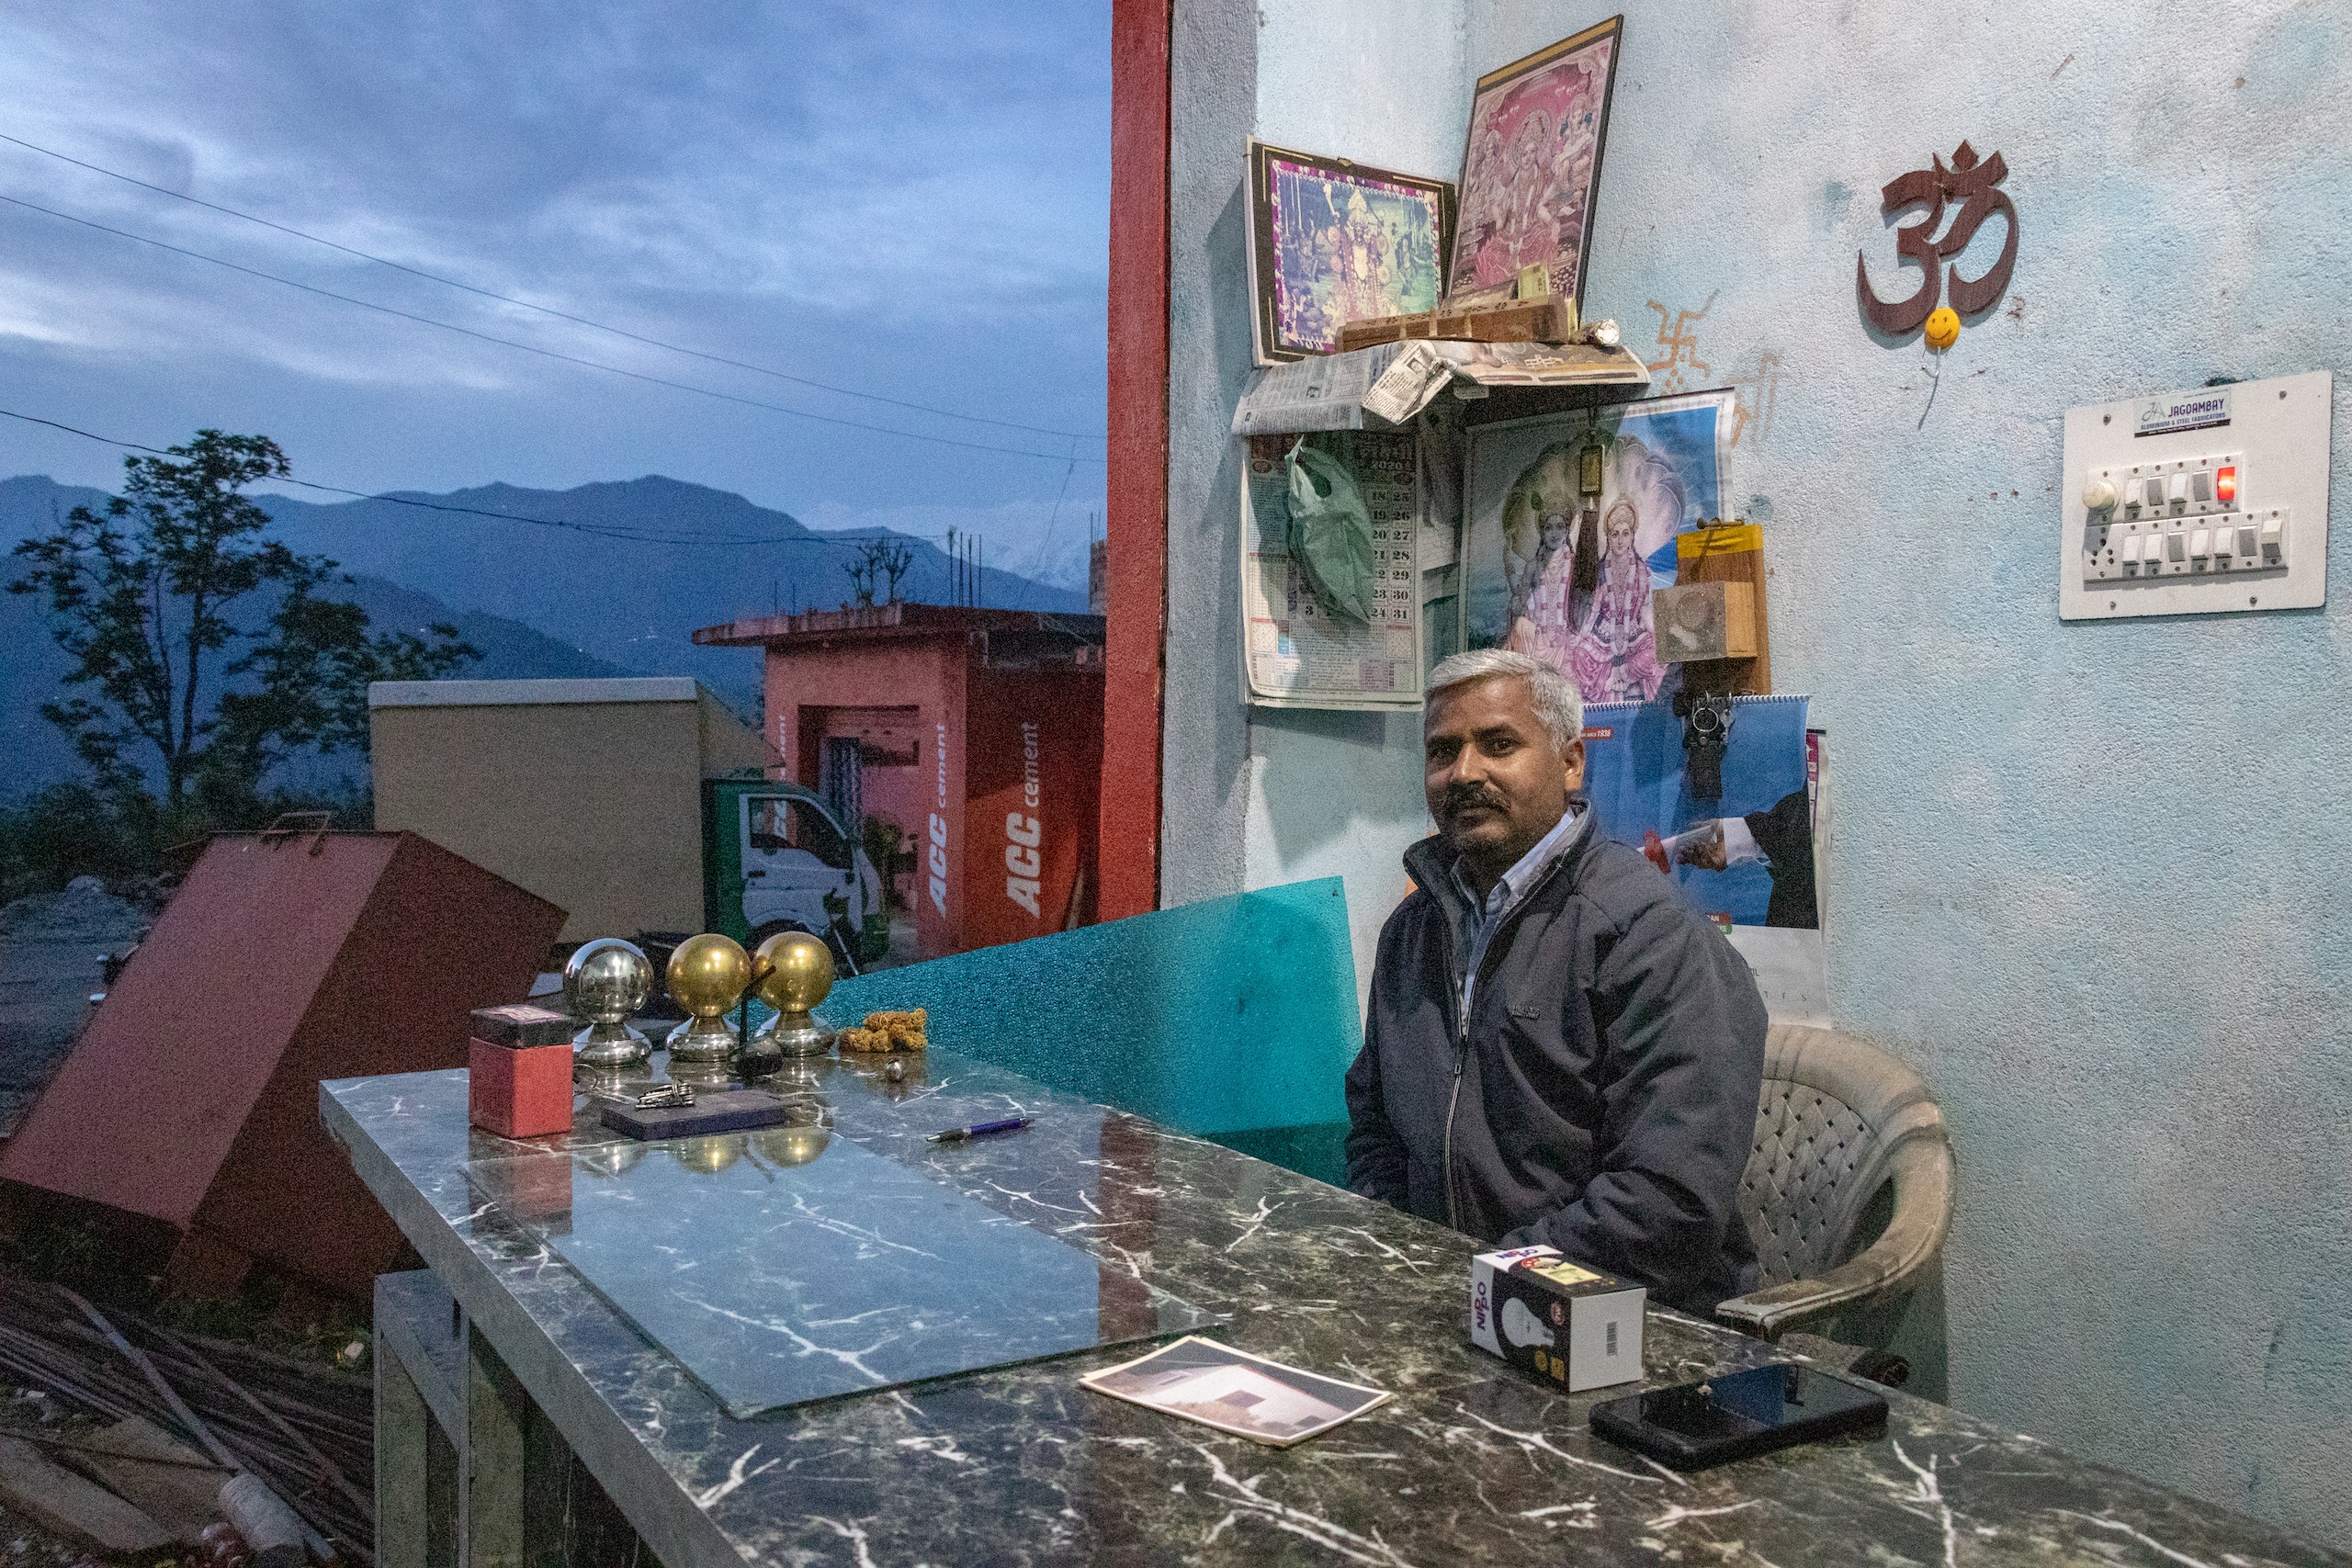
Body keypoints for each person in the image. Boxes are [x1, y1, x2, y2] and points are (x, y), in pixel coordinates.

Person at [1344, 649, 1768, 1314]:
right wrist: (1404, 1260)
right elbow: (1376, 1128)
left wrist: (1487, 1282)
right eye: (1443, 751)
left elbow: (1669, 1201)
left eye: (1499, 744)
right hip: (1456, 1304)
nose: (1465, 772)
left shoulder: (1649, 935)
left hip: (1631, 1325)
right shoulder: (1413, 931)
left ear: (1571, 762)